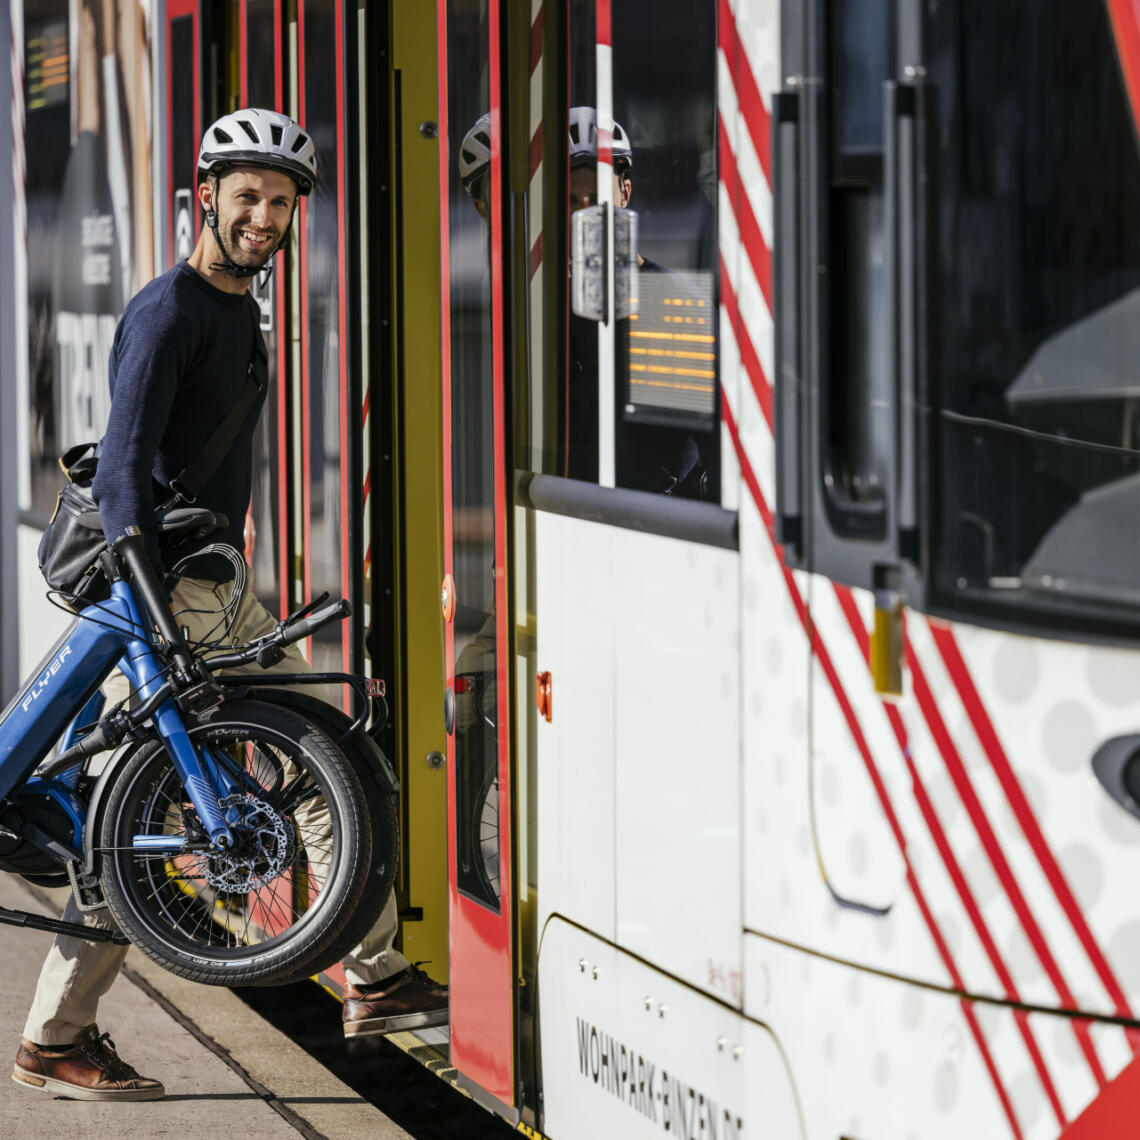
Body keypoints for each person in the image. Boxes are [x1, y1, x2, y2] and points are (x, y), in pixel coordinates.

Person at [12, 107, 446, 1103]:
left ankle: (54, 1039)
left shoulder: (234, 311)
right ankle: (374, 974)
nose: (263, 216)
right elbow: (123, 467)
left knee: (127, 817)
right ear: (205, 196)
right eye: (245, 196)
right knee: (311, 755)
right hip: (173, 595)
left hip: (200, 585)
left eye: (281, 202)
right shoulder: (168, 312)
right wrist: (154, 607)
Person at [462, 106, 706, 494]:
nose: (584, 214)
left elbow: (713, 449)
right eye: (570, 201)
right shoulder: (535, 304)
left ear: (625, 193)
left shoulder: (671, 303)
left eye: (596, 199)